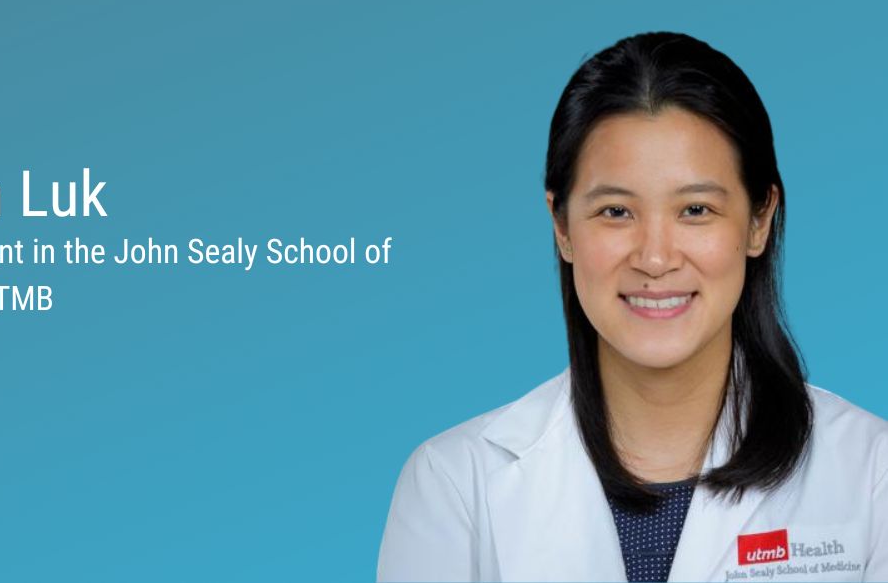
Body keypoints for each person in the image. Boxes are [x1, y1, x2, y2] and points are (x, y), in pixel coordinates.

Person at [376, 31, 888, 582]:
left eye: (695, 209)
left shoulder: (872, 474)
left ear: (759, 219)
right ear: (562, 226)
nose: (655, 257)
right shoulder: (455, 486)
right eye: (616, 211)